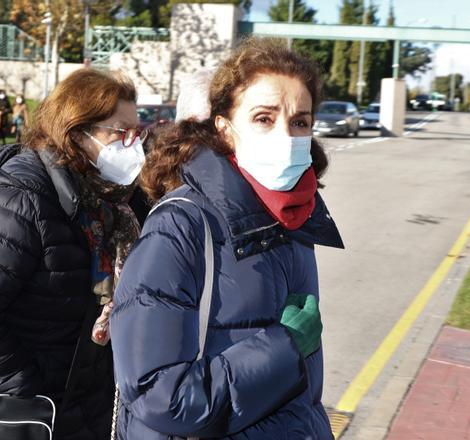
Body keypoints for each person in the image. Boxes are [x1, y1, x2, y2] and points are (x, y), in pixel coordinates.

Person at [110, 37, 344, 439]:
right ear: (225, 128)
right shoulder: (180, 226)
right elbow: (159, 396)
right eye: (264, 118)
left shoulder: (295, 220)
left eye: (300, 122)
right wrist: (284, 347)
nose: (286, 135)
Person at [0, 69, 148, 440]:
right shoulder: (20, 195)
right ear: (76, 131)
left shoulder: (114, 200)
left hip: (74, 401)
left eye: (137, 132)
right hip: (7, 413)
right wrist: (27, 392)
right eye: (120, 132)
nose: (133, 144)